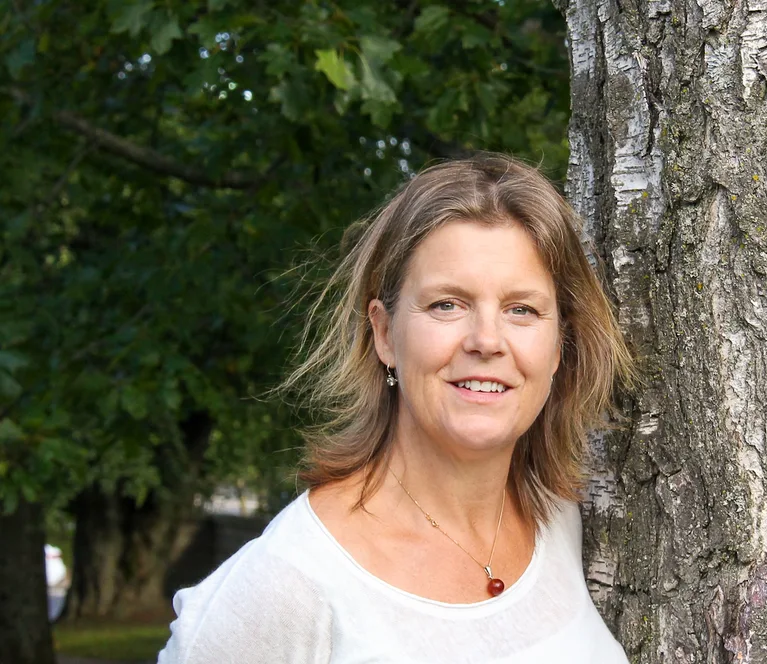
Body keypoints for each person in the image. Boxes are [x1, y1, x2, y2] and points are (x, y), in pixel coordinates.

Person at [156, 155, 635, 663]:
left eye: (522, 309)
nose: (487, 340)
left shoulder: (560, 517)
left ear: (558, 345)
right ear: (384, 333)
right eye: (446, 304)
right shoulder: (290, 583)